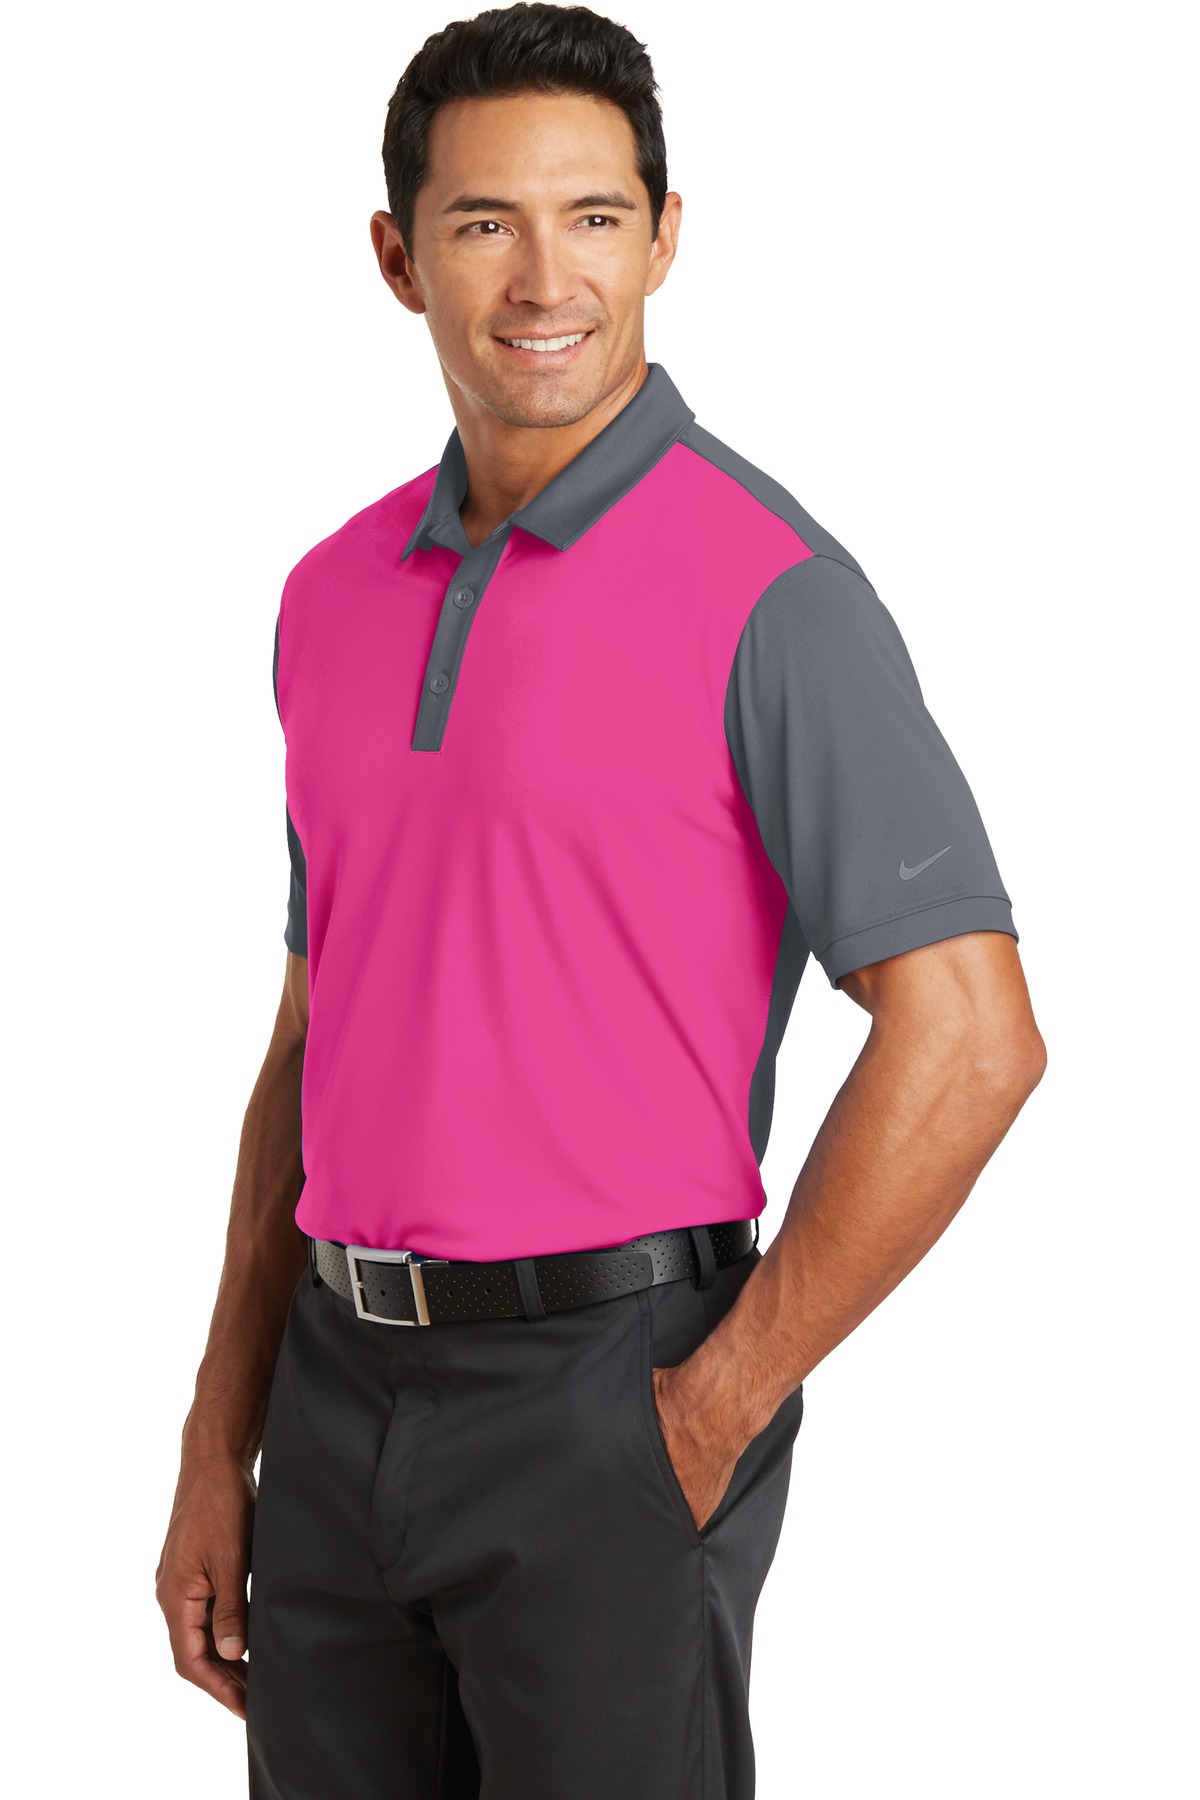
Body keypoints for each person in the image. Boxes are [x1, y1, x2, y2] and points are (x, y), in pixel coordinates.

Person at [155, 6, 1047, 1796]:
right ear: (399, 257)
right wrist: (215, 1434)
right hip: (332, 1395)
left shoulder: (773, 592)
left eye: (594, 217)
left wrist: (707, 1415)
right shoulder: (330, 594)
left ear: (664, 237)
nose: (544, 277)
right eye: (486, 221)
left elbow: (971, 1040)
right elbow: (318, 1032)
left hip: (610, 1390)